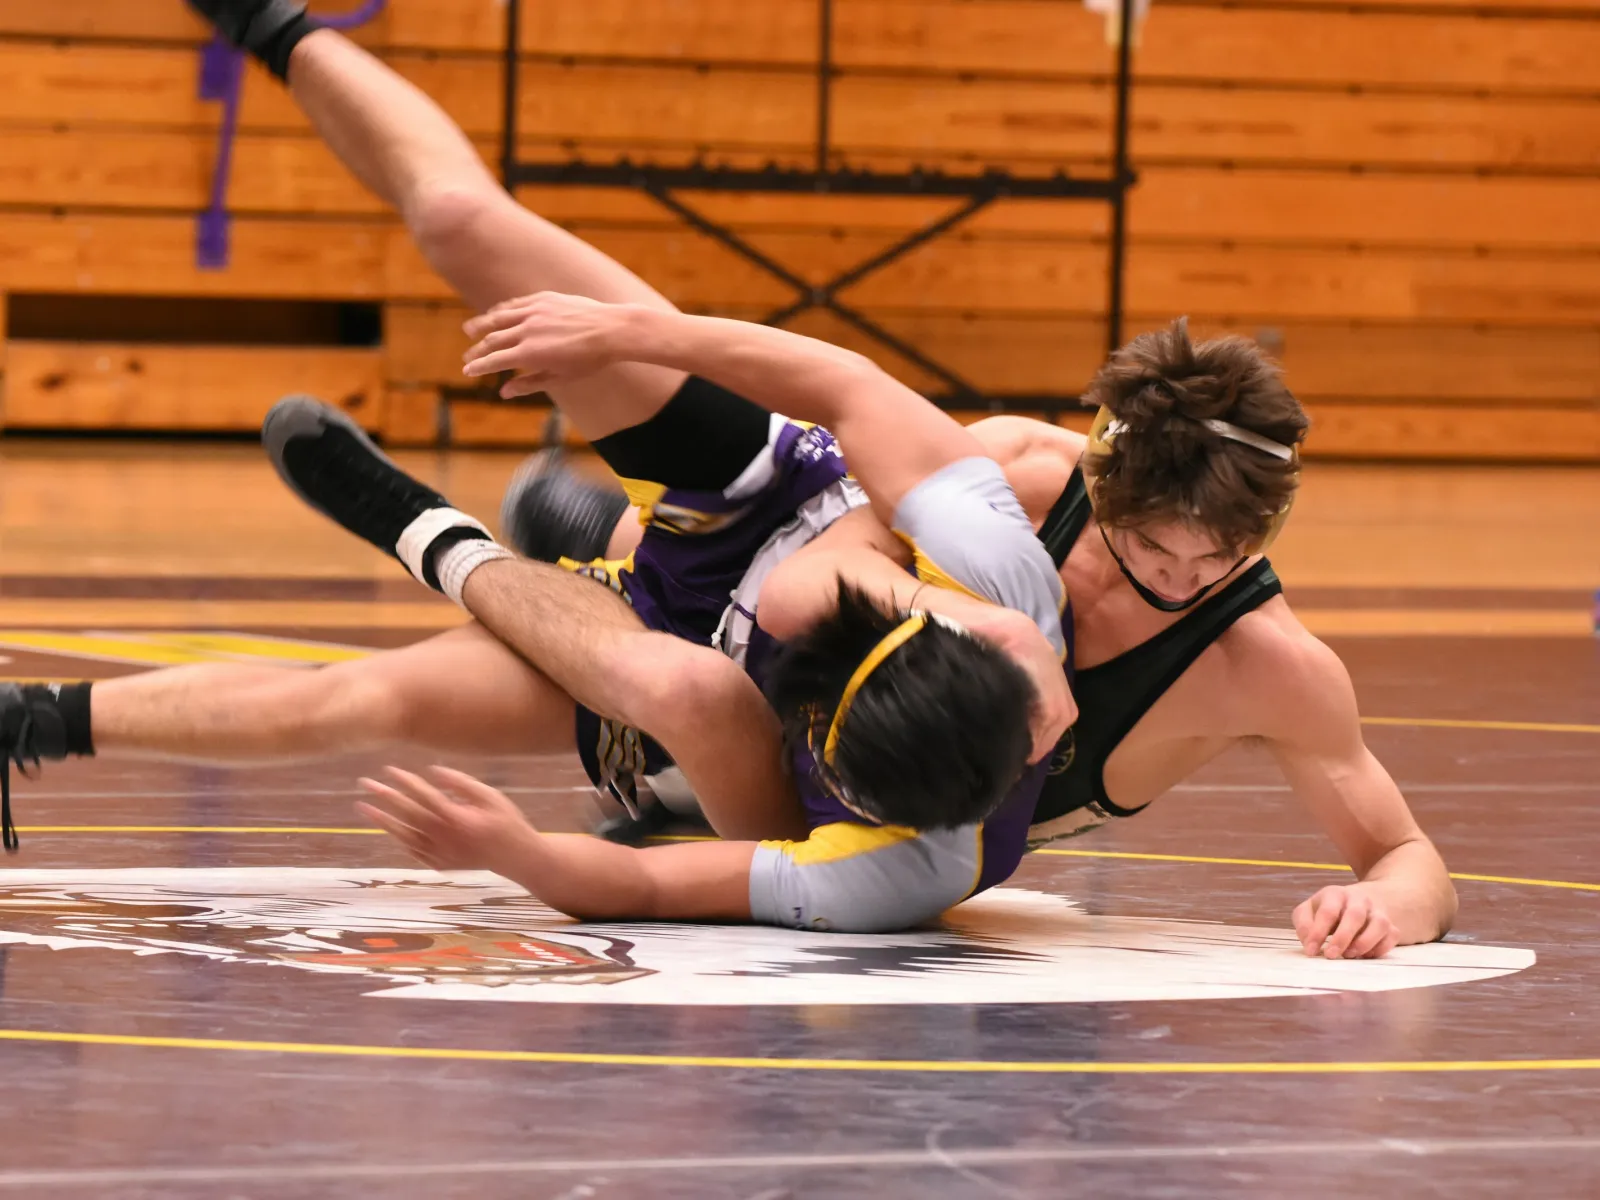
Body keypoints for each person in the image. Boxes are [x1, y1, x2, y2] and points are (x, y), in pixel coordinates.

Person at [0, 0, 1076, 935]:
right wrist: (633, 336)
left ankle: (38, 715)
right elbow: (848, 388)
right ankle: (271, 26)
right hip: (760, 503)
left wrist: (512, 850)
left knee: (365, 701)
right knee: (467, 223)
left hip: (680, 674)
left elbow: (646, 891)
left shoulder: (893, 872)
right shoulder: (1002, 602)